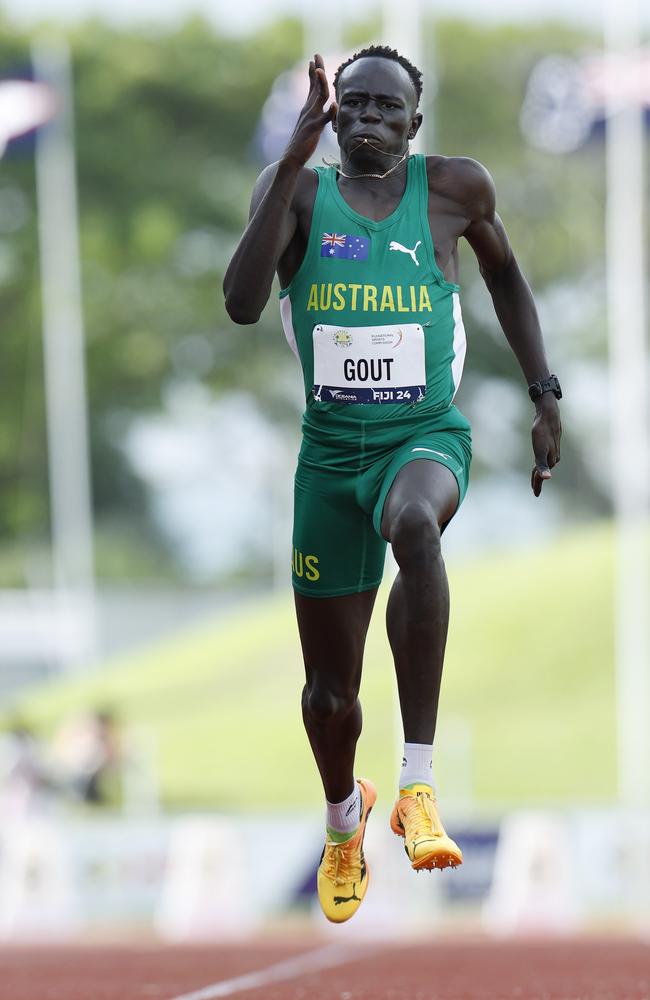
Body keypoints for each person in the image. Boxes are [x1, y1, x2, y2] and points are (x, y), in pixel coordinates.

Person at [224, 46, 561, 924]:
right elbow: (241, 303)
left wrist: (543, 393)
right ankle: (345, 820)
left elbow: (507, 275)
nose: (368, 119)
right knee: (330, 698)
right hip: (330, 460)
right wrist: (292, 161)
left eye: (386, 109)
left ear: (414, 125)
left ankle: (418, 782)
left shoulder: (454, 190)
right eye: (353, 107)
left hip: (423, 435)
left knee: (418, 525)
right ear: (331, 118)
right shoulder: (294, 189)